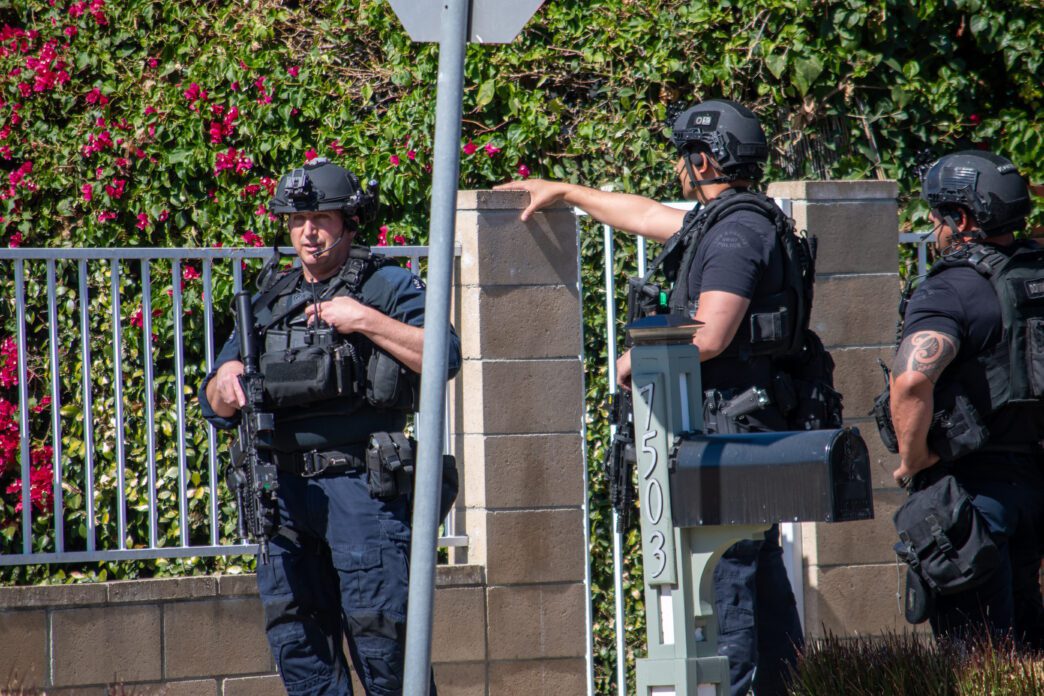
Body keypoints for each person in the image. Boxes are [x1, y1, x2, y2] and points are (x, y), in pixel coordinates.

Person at [497, 99, 822, 696]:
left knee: (729, 581)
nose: (678, 169)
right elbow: (646, 214)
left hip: (730, 435)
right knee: (755, 569)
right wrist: (567, 191)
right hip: (745, 425)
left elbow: (713, 330)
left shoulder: (735, 235)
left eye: (683, 158)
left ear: (701, 159)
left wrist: (635, 359)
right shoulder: (736, 219)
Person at [200, 157, 461, 695]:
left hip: (360, 489)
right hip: (284, 495)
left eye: (320, 218)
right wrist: (225, 382)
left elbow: (446, 355)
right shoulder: (272, 294)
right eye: (297, 221)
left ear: (347, 222)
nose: (308, 233)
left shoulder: (385, 284)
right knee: (301, 649)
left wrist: (362, 318)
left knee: (383, 642)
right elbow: (215, 398)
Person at [890, 149, 1044, 647]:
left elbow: (912, 381)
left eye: (936, 216)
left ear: (961, 219)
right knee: (1031, 646)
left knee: (978, 655)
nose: (933, 228)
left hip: (971, 495)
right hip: (1035, 481)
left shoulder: (952, 288)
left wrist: (915, 459)